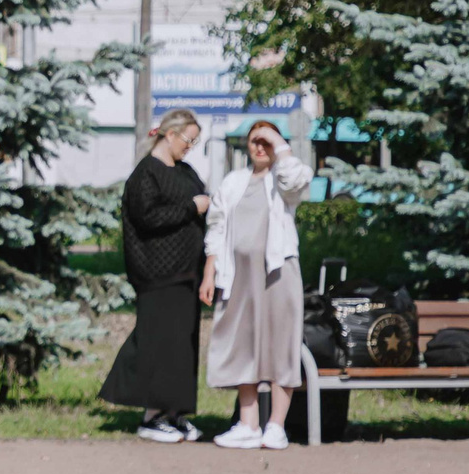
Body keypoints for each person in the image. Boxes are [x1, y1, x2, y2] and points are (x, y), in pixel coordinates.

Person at [101, 109, 211, 443]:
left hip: (187, 271)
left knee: (182, 347)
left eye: (195, 141)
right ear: (170, 135)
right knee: (158, 343)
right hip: (157, 273)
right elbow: (148, 217)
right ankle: (151, 416)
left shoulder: (186, 172)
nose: (190, 147)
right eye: (188, 139)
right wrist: (192, 207)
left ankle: (174, 413)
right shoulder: (145, 174)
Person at [203, 120, 313, 451]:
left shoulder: (283, 179)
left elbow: (295, 180)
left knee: (281, 345)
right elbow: (216, 225)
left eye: (266, 140)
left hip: (278, 274)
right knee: (242, 345)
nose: (260, 147)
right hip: (239, 277)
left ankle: (276, 426)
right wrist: (210, 271)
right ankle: (248, 424)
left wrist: (279, 144)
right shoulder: (234, 181)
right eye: (255, 140)